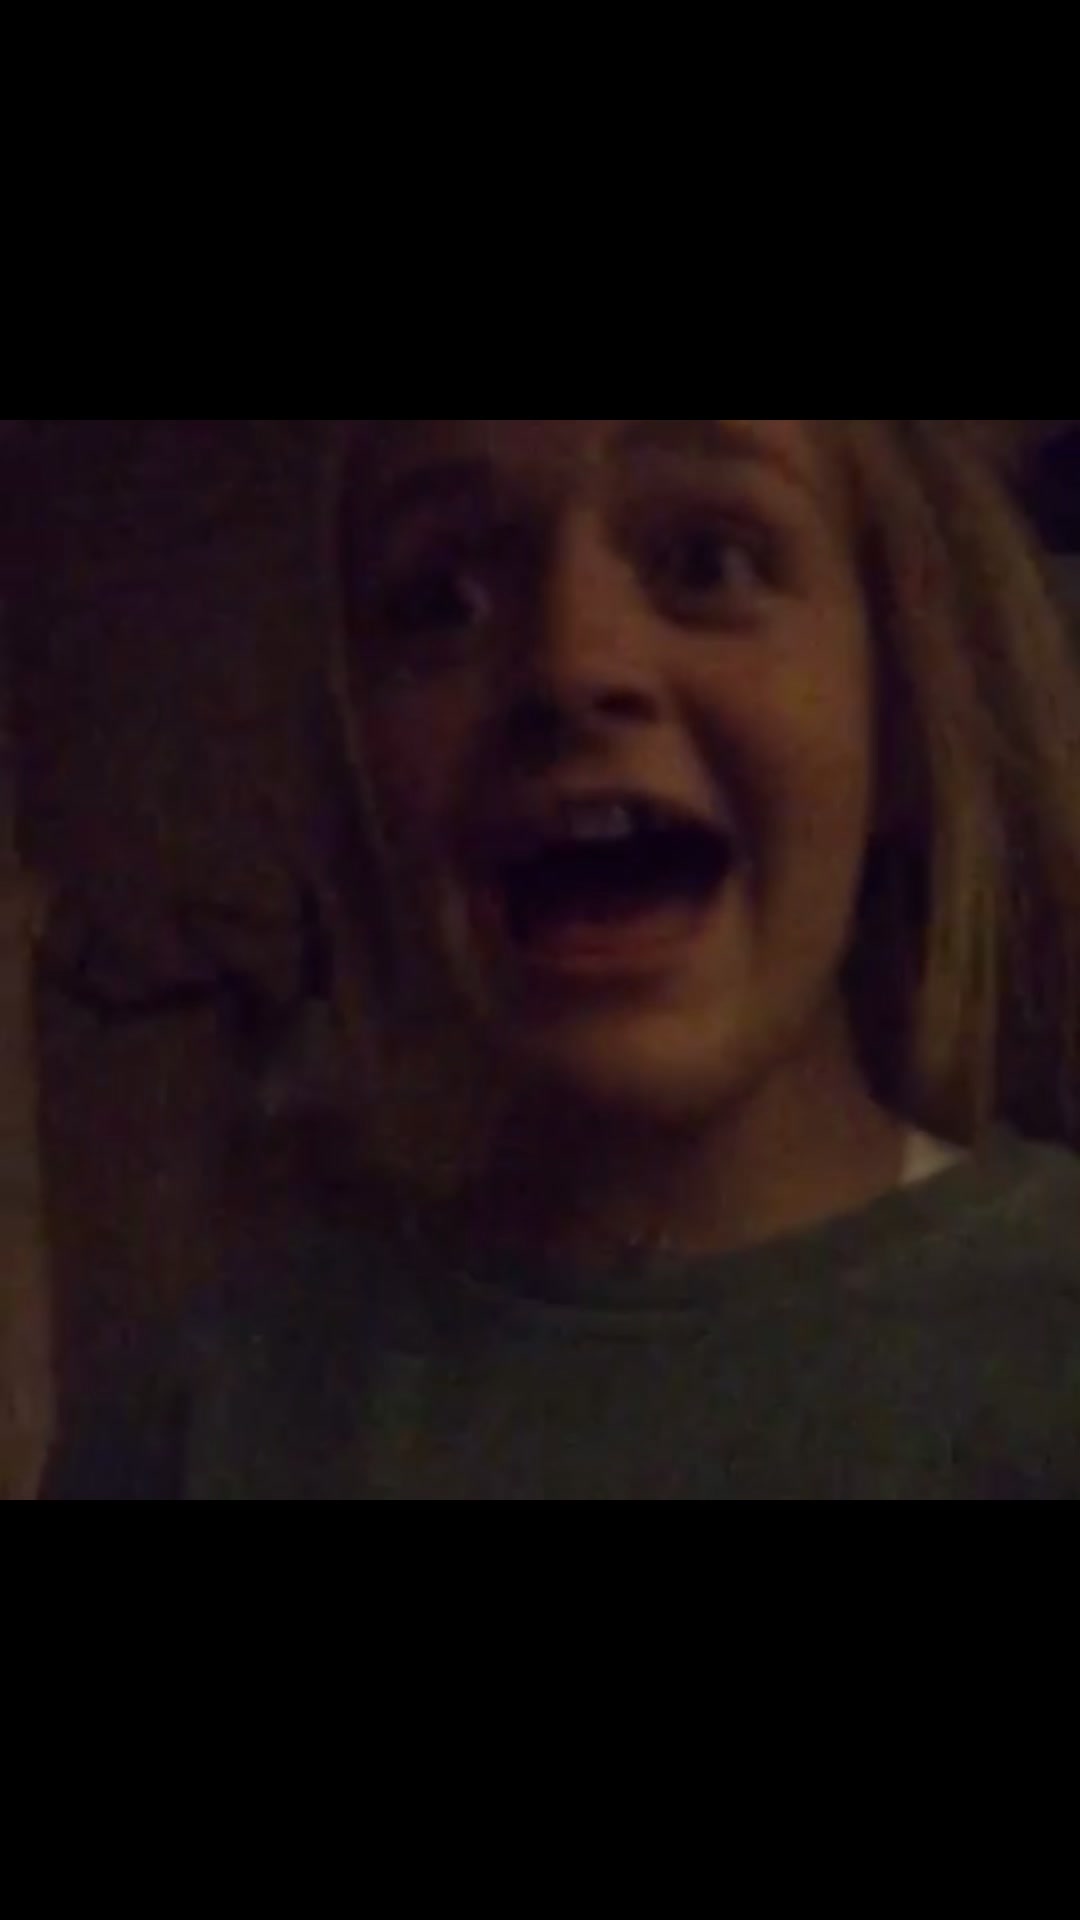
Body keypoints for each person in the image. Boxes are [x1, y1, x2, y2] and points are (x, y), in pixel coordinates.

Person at [42, 420, 1080, 1501]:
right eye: (443, 598)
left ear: (899, 710)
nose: (569, 664)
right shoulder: (196, 1429)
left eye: (708, 562)